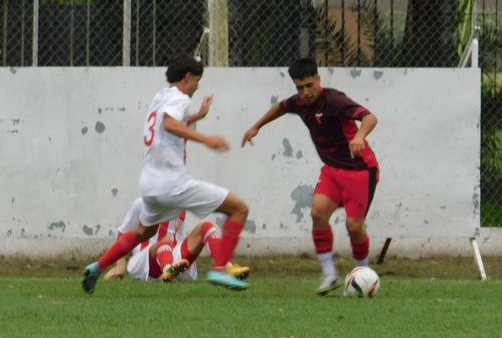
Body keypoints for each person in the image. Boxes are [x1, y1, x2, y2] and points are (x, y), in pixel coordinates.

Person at [82, 53, 250, 294]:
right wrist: (206, 139)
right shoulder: (180, 98)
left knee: (142, 232)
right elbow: (169, 124)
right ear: (188, 78)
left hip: (150, 186)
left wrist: (197, 117)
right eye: (197, 81)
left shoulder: (160, 97)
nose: (197, 87)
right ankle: (220, 269)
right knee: (239, 209)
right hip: (173, 184)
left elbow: (168, 120)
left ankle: (97, 267)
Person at [241, 57, 379, 296]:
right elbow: (281, 107)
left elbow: (369, 117)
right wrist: (257, 126)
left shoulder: (335, 100)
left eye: (309, 86)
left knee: (354, 226)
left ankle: (364, 275)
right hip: (332, 170)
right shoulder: (299, 102)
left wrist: (359, 137)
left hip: (360, 170)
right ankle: (329, 274)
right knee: (317, 213)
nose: (305, 92)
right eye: (299, 87)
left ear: (318, 79)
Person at [103, 198, 250, 282]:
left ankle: (225, 267)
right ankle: (168, 272)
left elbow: (177, 236)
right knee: (164, 242)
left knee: (206, 226)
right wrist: (119, 265)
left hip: (173, 258)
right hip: (145, 260)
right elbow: (123, 233)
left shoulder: (180, 204)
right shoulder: (142, 203)